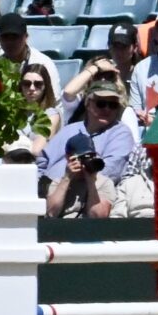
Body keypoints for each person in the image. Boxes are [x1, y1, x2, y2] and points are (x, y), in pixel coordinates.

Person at [39, 76, 141, 218]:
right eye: (101, 103)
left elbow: (109, 171)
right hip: (51, 191)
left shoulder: (120, 132)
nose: (107, 109)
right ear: (88, 103)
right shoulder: (70, 129)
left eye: (113, 105)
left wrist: (73, 174)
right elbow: (41, 162)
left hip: (87, 195)